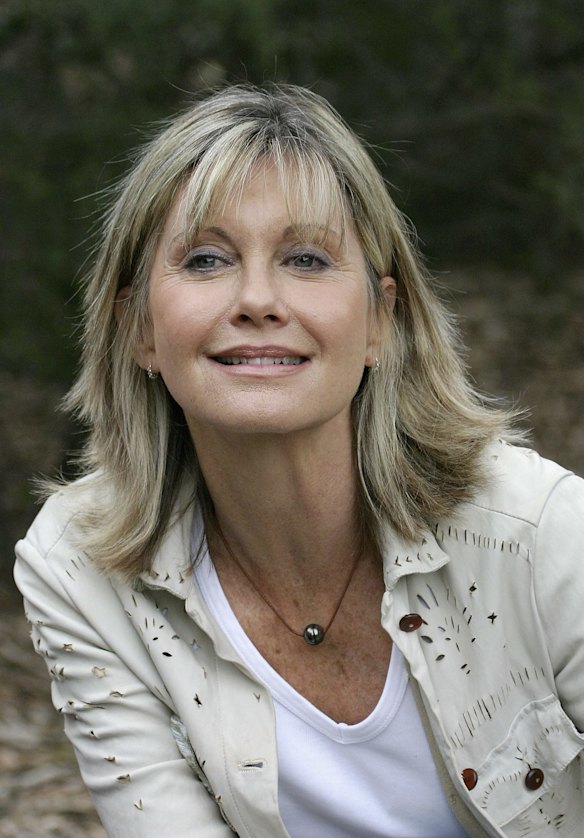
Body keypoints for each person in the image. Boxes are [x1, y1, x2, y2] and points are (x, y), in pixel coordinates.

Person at [14, 83, 584, 838]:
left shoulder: (539, 532)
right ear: (139, 329)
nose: (258, 299)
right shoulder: (81, 569)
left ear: (381, 321)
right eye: (207, 259)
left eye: (307, 258)